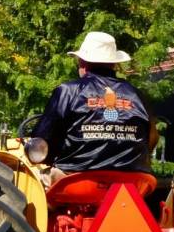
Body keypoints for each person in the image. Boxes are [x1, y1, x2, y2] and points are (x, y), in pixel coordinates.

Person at [31, 31, 152, 182]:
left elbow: (42, 141)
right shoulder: (137, 95)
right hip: (132, 182)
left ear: (83, 63)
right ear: (114, 64)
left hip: (76, 181)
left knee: (29, 178)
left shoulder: (68, 91)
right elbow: (151, 138)